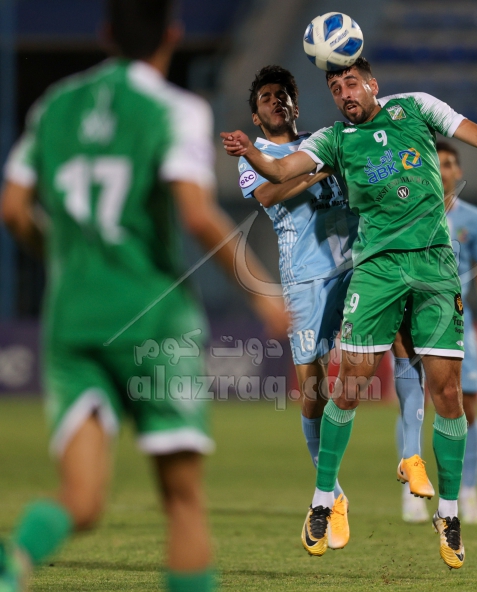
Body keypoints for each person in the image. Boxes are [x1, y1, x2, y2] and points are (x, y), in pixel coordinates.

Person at [221, 56, 477, 569]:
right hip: (370, 270)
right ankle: (325, 499)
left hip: (433, 266)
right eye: (335, 87)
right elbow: (276, 174)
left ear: (372, 84)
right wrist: (250, 152)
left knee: (448, 392)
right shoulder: (331, 140)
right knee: (341, 386)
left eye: (351, 83)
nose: (344, 93)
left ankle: (448, 511)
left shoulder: (415, 107)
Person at [0, 1, 287, 591]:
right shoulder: (174, 109)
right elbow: (196, 215)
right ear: (172, 35)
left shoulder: (55, 105)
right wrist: (264, 294)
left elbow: (13, 210)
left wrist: (62, 257)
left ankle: (14, 559)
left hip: (74, 322)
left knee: (82, 499)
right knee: (182, 502)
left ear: (107, 34)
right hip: (153, 321)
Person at [237, 65, 359, 552]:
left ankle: (410, 451)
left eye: (283, 93)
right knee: (313, 389)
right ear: (256, 115)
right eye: (267, 96)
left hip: (357, 264)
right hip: (306, 278)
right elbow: (268, 194)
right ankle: (333, 492)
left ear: (296, 104)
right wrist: (322, 170)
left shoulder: (321, 140)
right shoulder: (257, 155)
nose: (276, 100)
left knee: (393, 343)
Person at [395, 142, 477, 525]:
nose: (443, 170)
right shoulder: (406, 209)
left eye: (449, 164)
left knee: (465, 403)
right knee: (415, 403)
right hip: (412, 316)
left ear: (458, 172)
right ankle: (412, 490)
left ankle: (467, 491)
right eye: (437, 163)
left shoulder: (472, 218)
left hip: (457, 319)